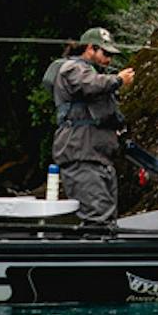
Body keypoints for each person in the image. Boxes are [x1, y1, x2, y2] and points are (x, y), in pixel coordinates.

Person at [41, 26, 136, 223]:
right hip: (81, 156)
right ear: (90, 48)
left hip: (99, 158)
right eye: (105, 53)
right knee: (97, 218)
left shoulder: (93, 73)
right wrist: (118, 79)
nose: (109, 59)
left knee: (108, 219)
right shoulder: (72, 69)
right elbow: (88, 84)